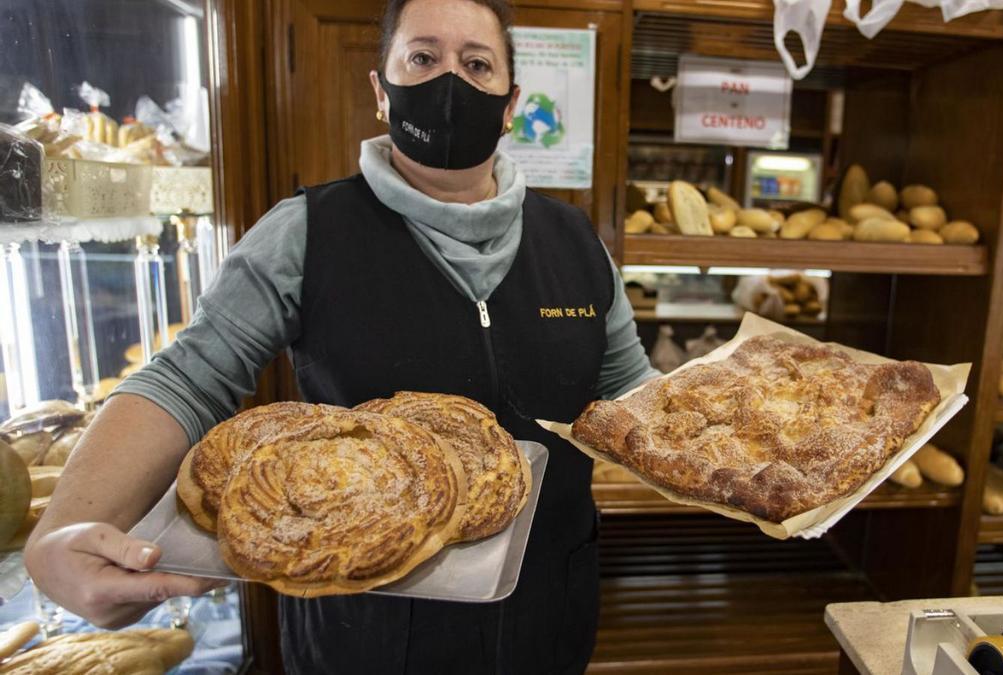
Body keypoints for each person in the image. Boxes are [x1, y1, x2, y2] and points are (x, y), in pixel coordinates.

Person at [23, 0, 656, 672]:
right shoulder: (306, 232)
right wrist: (58, 533)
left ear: (509, 105)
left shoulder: (578, 244)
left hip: (547, 620)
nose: (450, 83)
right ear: (382, 91)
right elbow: (188, 377)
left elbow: (630, 397)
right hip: (365, 633)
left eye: (477, 65)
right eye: (423, 58)